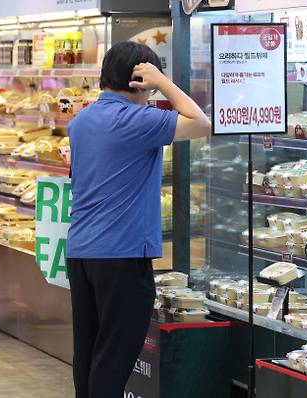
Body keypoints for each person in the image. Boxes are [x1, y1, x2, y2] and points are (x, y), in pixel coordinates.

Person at [66, 41, 211, 398]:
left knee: (88, 350)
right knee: (114, 358)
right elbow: (201, 123)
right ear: (139, 80)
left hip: (81, 252)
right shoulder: (135, 119)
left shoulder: (82, 120)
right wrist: (163, 82)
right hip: (121, 256)